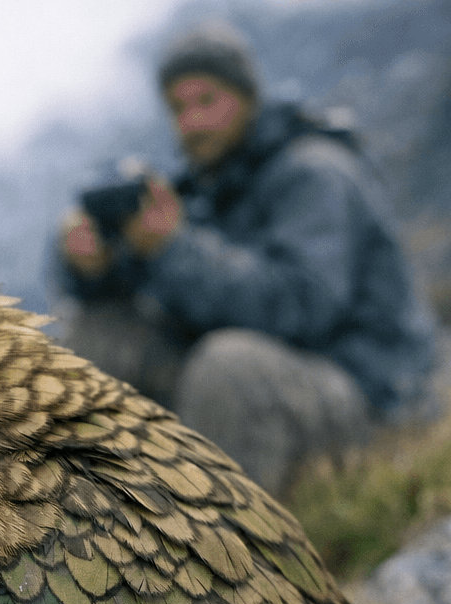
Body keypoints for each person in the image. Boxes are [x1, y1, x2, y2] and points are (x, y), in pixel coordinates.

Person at [54, 21, 440, 495]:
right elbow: (151, 293)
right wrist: (92, 268)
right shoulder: (201, 190)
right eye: (178, 108)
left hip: (372, 396)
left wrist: (171, 248)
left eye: (207, 101)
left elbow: (300, 307)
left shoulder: (315, 173)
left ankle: (228, 540)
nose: (191, 122)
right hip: (276, 380)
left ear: (248, 97)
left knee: (227, 368)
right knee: (98, 333)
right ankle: (96, 526)